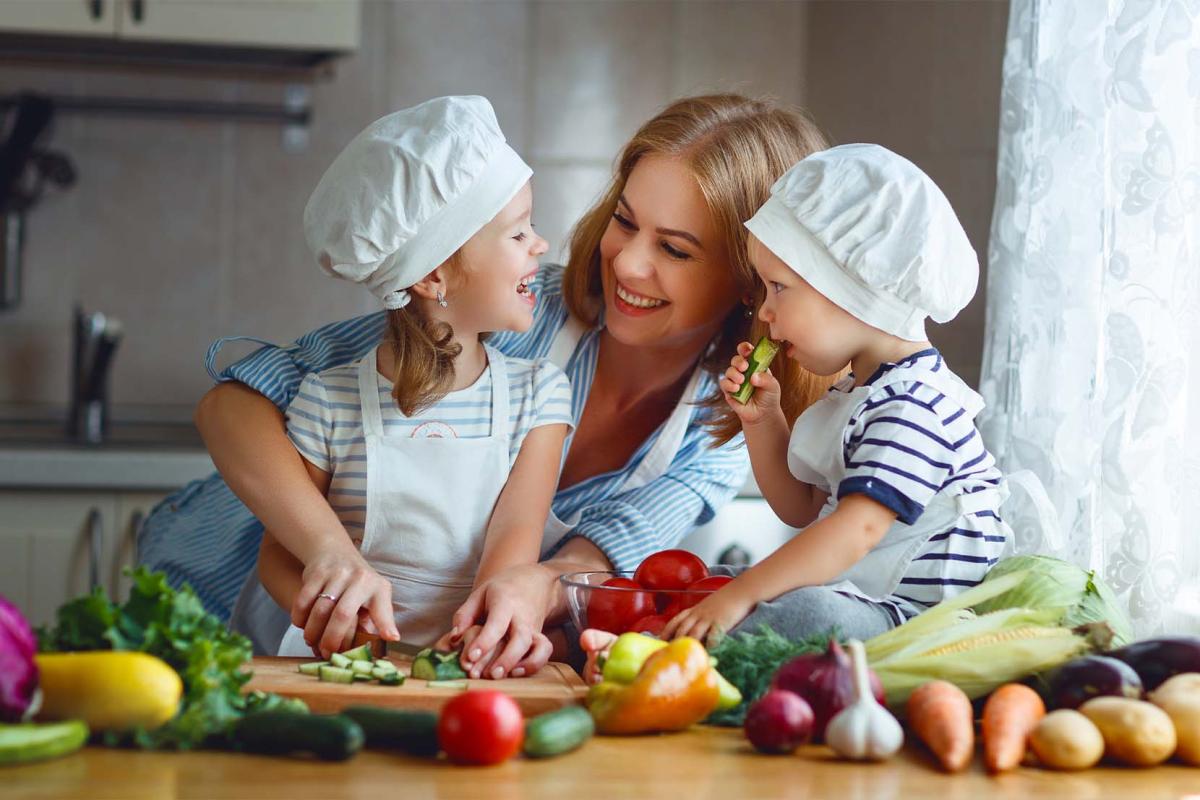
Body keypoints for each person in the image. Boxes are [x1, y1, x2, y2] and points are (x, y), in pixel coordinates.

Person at [139, 94, 832, 678]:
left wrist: (535, 589)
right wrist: (328, 553)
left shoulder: (726, 421)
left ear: (751, 276)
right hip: (226, 587)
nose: (627, 263)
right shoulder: (516, 307)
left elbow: (606, 546)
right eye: (625, 221)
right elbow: (234, 403)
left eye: (674, 249)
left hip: (400, 660)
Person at [256, 96, 574, 658]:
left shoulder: (539, 395)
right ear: (433, 275)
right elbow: (278, 558)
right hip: (340, 666)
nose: (541, 246)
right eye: (518, 233)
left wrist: (476, 643)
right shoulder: (328, 401)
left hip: (466, 662)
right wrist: (339, 631)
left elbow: (511, 546)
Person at [664, 144, 1011, 645]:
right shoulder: (861, 393)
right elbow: (803, 509)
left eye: (778, 287)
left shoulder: (914, 406)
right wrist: (763, 422)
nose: (764, 311)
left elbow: (857, 532)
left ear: (853, 288)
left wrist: (740, 594)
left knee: (803, 611)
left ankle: (682, 658)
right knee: (772, 599)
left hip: (920, 623)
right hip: (873, 604)